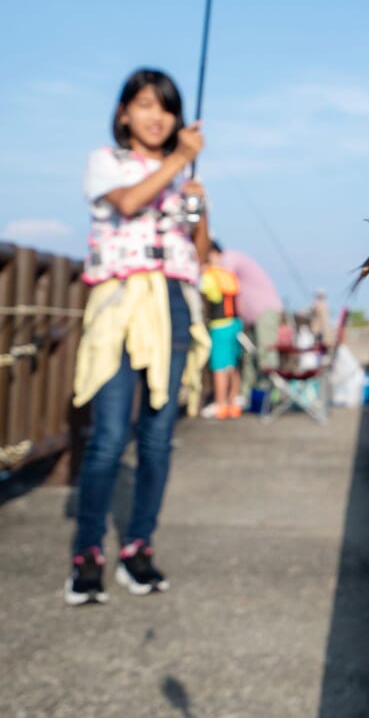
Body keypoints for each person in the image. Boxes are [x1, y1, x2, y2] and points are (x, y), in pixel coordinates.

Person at [65, 68, 208, 606]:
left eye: (166, 108)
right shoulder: (108, 162)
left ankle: (138, 546)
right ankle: (87, 552)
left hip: (172, 303)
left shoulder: (183, 179)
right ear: (124, 111)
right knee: (107, 438)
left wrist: (198, 206)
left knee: (157, 436)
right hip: (122, 304)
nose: (156, 116)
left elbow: (199, 250)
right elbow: (125, 204)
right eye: (145, 104)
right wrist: (178, 160)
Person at [213, 242, 283, 398]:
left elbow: (222, 277)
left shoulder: (229, 257)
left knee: (266, 353)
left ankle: (271, 395)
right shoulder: (233, 258)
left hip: (265, 310)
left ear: (213, 252)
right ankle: (248, 395)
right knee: (250, 355)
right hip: (251, 317)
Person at [200, 245, 243, 419]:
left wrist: (203, 272)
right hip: (236, 324)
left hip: (220, 325)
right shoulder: (230, 275)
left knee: (219, 367)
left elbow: (207, 293)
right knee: (232, 365)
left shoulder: (210, 275)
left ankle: (220, 404)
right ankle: (233, 402)